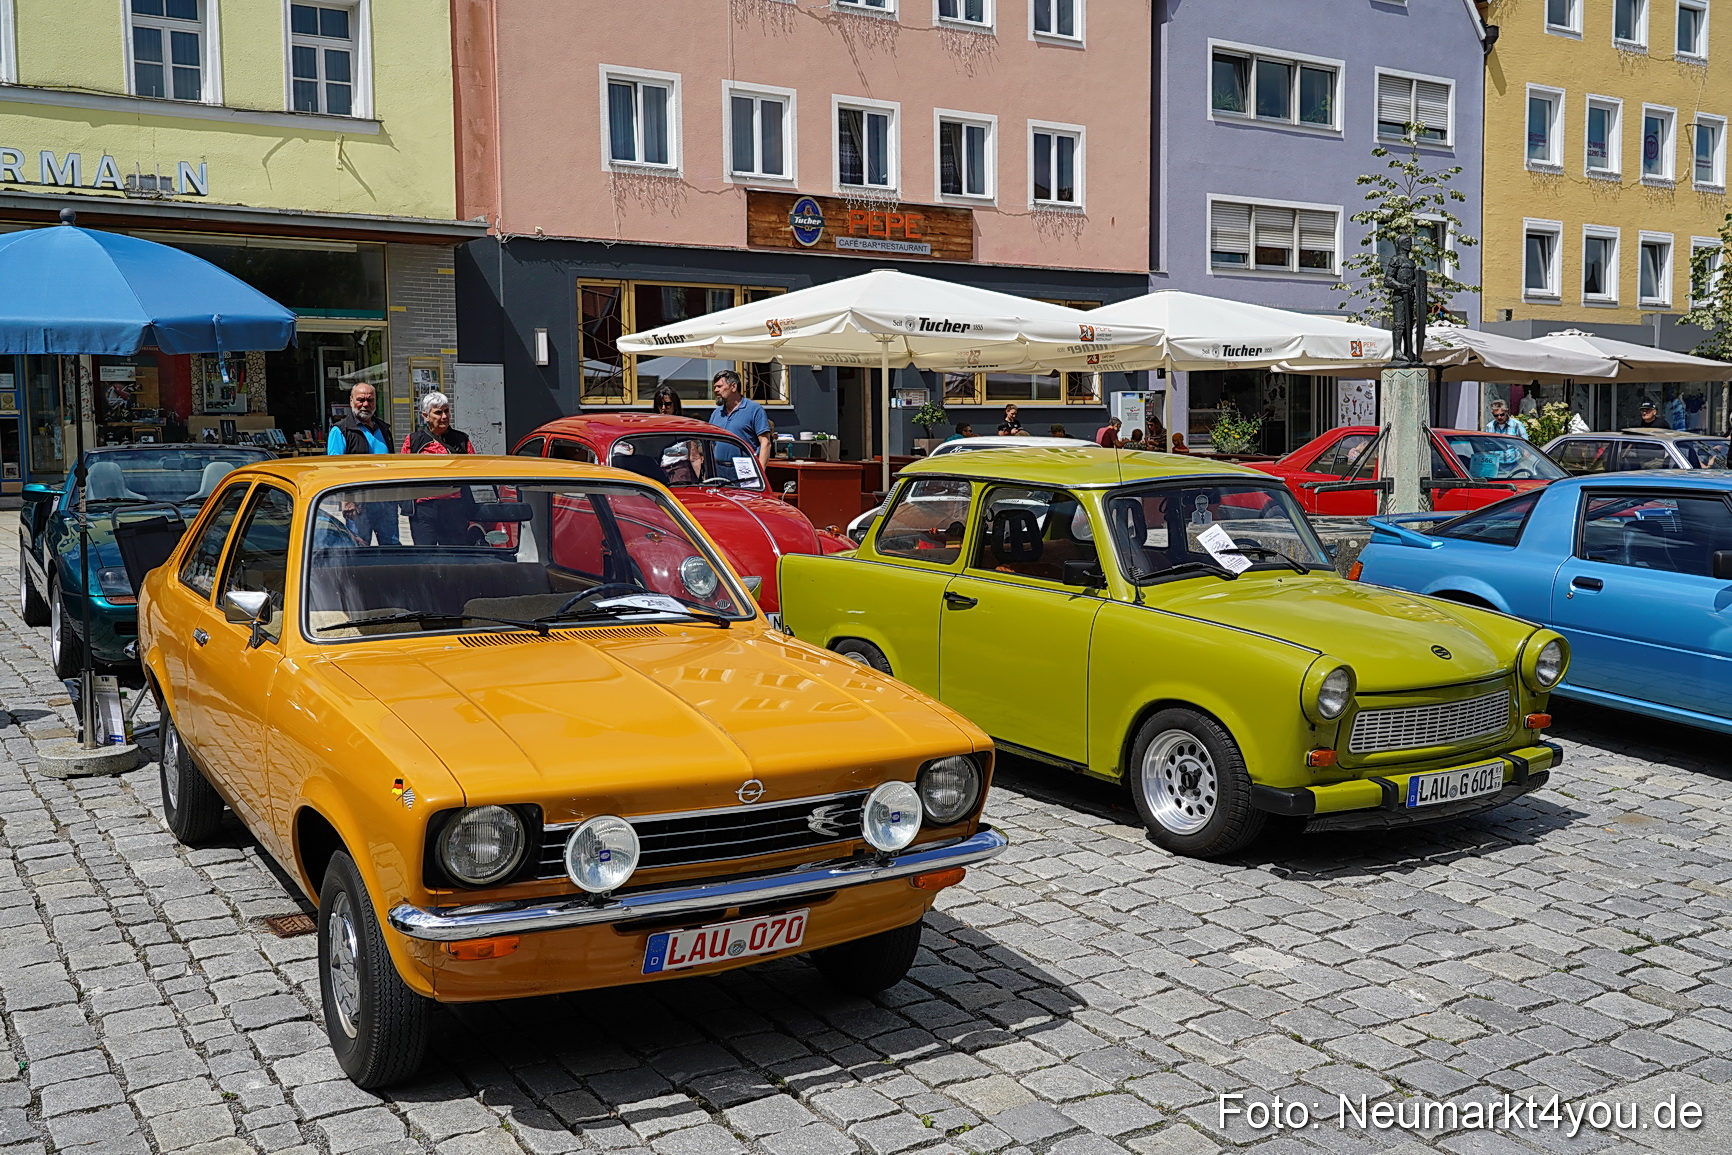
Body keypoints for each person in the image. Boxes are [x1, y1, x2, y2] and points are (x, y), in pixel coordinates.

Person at [400, 392, 477, 546]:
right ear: (426, 416)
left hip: (454, 507)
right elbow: (403, 473)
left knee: (455, 556)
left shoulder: (461, 439)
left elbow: (473, 469)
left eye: (446, 411)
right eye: (438, 412)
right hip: (424, 509)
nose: (444, 417)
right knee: (426, 557)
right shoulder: (414, 441)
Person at [326, 382, 399, 545]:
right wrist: (346, 499)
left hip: (385, 503)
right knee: (359, 549)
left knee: (392, 549)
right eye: (361, 400)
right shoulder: (340, 430)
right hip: (358, 504)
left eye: (370, 400)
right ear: (351, 401)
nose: (365, 404)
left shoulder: (384, 429)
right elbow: (334, 470)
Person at [707, 369, 772, 471]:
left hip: (745, 469)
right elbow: (710, 444)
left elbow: (765, 442)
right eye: (715, 387)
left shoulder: (754, 409)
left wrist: (761, 473)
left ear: (733, 387)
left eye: (719, 386)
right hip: (719, 470)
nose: (715, 390)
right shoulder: (716, 413)